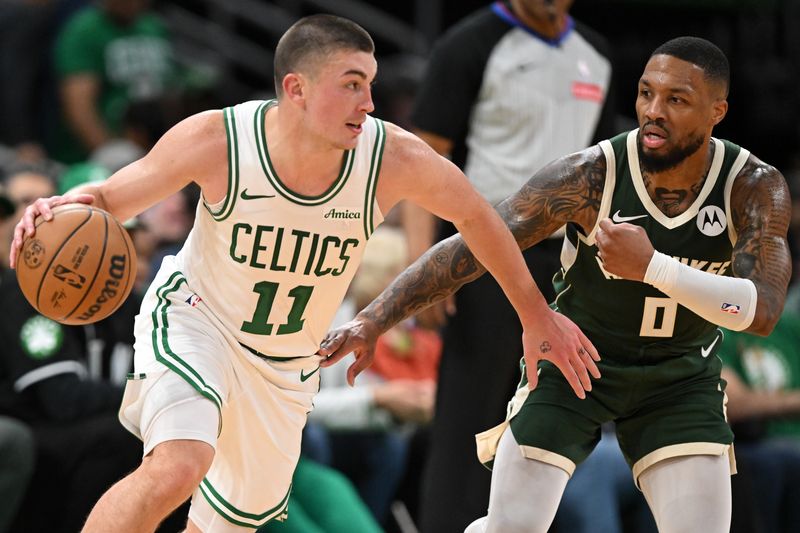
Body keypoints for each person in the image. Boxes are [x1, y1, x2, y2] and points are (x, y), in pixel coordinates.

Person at [9, 15, 598, 532]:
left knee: (223, 528)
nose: (369, 103)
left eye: (369, 84)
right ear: (296, 88)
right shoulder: (219, 139)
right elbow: (110, 197)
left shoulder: (392, 157)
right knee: (179, 464)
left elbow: (478, 218)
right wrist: (62, 207)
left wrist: (535, 314)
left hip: (286, 364)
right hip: (198, 322)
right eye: (351, 85)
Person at [322, 36, 791, 533]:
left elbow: (761, 313)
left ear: (717, 110)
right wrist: (373, 319)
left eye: (676, 99)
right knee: (512, 528)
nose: (654, 111)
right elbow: (474, 245)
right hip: (578, 362)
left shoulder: (753, 186)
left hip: (681, 378)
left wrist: (653, 266)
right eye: (646, 93)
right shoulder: (591, 175)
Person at [405, 1, 615, 528]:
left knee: (546, 428)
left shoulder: (597, 55)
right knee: (467, 424)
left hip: (567, 263)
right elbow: (425, 154)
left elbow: (603, 170)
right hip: (482, 256)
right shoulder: (469, 44)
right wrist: (424, 266)